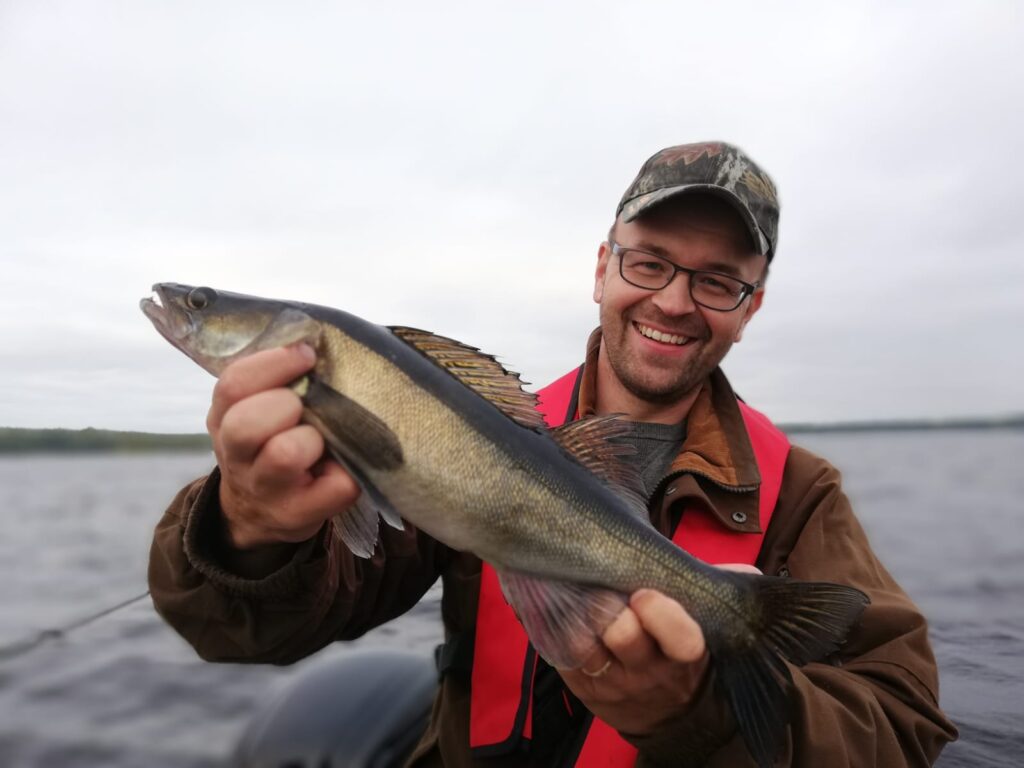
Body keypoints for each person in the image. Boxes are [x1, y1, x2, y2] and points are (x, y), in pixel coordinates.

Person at [149, 141, 958, 766]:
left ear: (751, 307)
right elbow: (255, 633)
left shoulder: (802, 493)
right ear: (604, 267)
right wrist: (246, 531)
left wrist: (701, 713)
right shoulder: (480, 430)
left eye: (718, 281)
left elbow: (904, 724)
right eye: (649, 262)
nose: (673, 301)